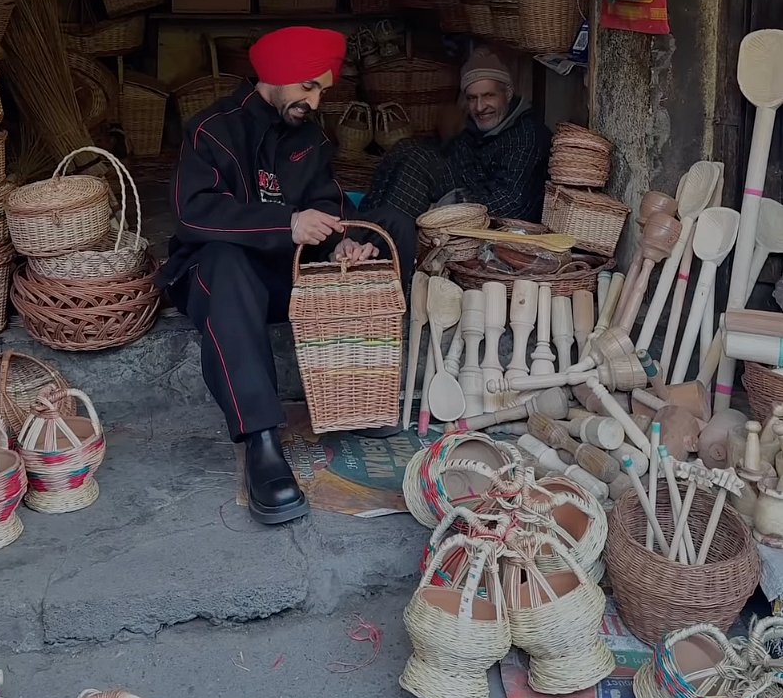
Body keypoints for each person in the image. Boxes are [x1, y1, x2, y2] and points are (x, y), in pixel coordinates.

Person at [158, 26, 416, 527]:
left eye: (321, 88)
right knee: (225, 263)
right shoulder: (212, 130)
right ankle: (262, 444)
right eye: (307, 86)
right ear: (274, 77)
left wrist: (341, 239)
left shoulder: (309, 137)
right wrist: (287, 224)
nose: (315, 100)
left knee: (393, 226)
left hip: (289, 274)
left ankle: (364, 394)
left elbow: (326, 200)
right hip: (221, 279)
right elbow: (194, 213)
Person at [362, 48, 551, 223]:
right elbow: (453, 154)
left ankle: (385, 246)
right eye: (472, 98)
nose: (479, 107)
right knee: (405, 148)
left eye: (488, 96)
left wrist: (447, 206)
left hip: (490, 212)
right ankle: (362, 230)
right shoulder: (478, 127)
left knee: (418, 164)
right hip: (468, 186)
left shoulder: (526, 136)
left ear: (508, 94)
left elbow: (509, 203)